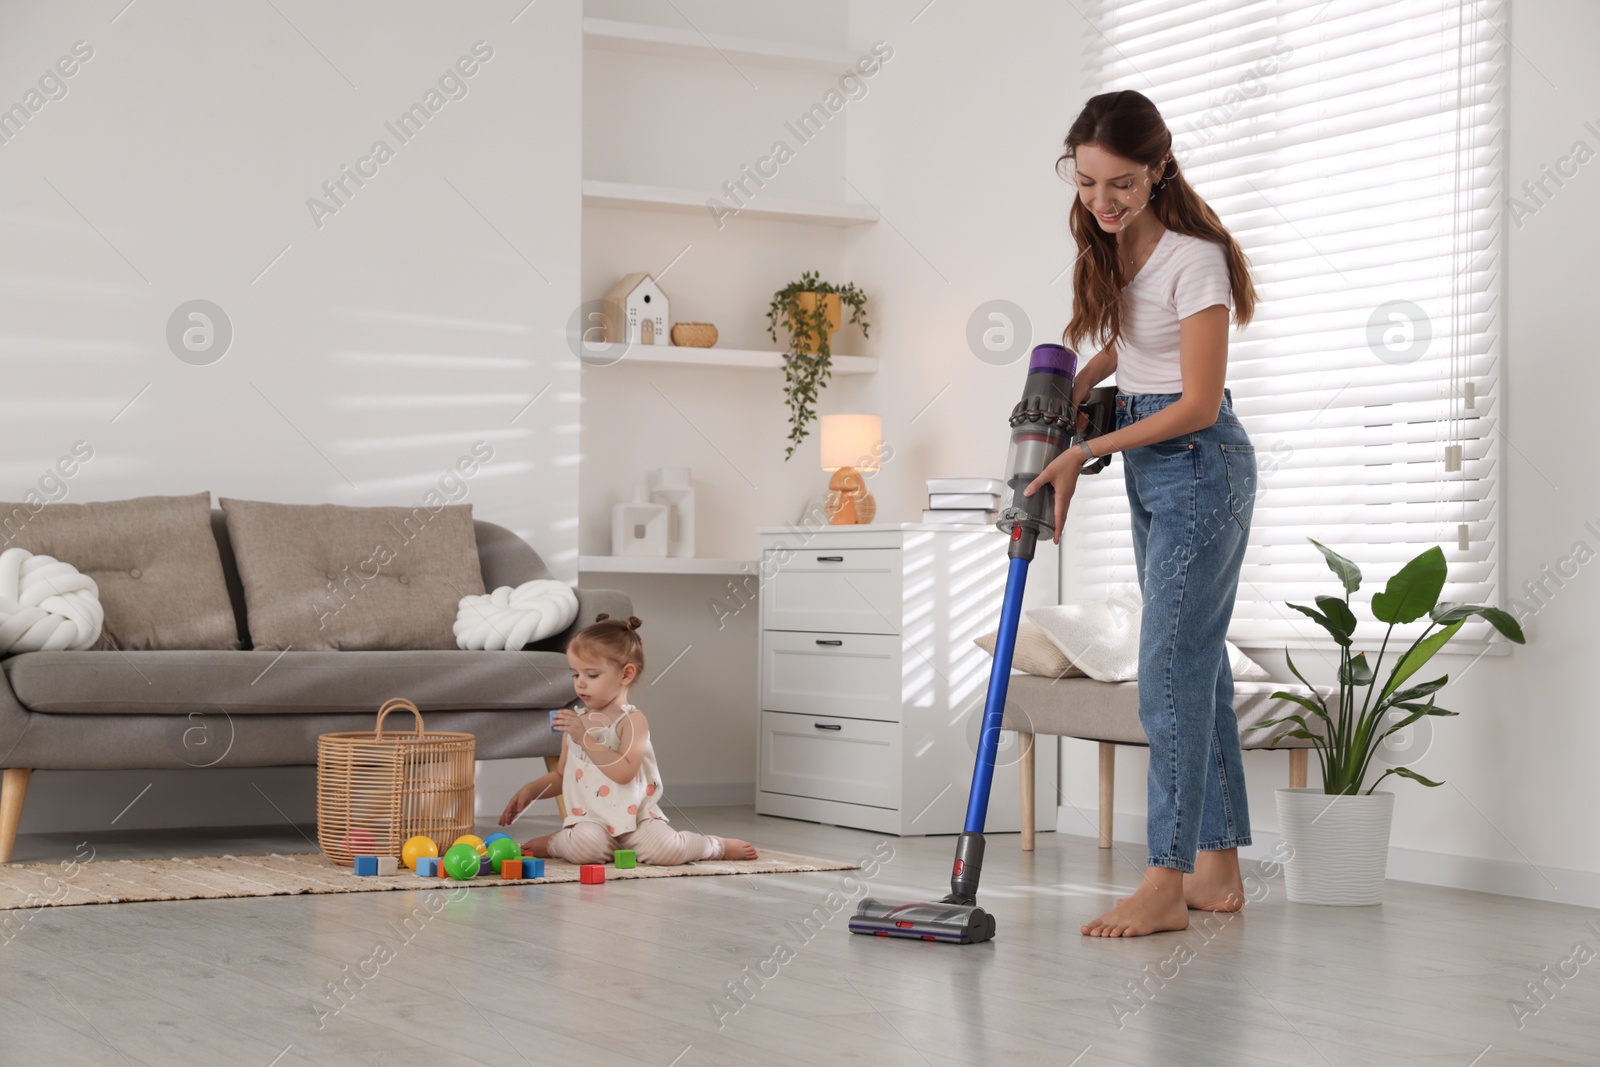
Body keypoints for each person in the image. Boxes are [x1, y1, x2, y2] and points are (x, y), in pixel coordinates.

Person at [1025, 89, 1261, 937]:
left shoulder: (1196, 257)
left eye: (1121, 183)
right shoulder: (1120, 246)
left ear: (1159, 168)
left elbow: (1198, 400)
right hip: (1151, 461)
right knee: (1199, 670)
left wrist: (1088, 449)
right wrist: (1086, 381)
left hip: (1201, 463)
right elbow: (1144, 343)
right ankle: (1219, 870)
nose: (1102, 201)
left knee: (1166, 677)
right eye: (1086, 182)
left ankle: (1165, 877)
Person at [499, 613, 757, 864]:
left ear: (625, 674)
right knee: (584, 850)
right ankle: (555, 843)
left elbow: (624, 772)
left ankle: (713, 846)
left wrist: (585, 738)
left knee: (666, 851)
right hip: (592, 821)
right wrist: (530, 791)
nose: (580, 684)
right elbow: (562, 775)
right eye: (575, 674)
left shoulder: (633, 722)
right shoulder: (578, 723)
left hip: (638, 819)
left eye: (591, 675)